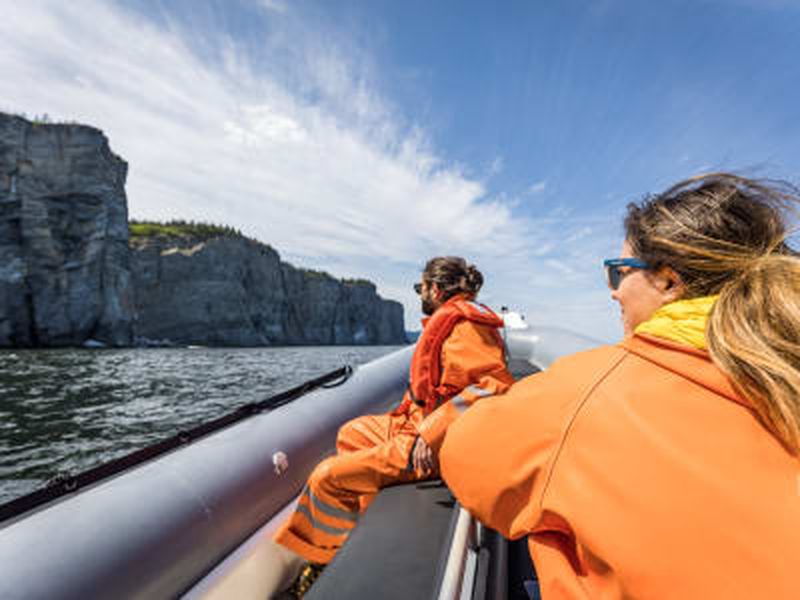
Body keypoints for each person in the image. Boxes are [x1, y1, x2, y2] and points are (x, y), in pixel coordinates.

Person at [439, 174, 800, 599]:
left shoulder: (586, 394)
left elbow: (466, 458)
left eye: (619, 272)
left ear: (668, 282)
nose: (613, 293)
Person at [274, 256, 514, 597]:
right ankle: (365, 523)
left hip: (440, 444)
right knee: (352, 433)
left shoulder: (465, 327)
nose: (420, 294)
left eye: (420, 288)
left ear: (435, 288)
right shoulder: (453, 321)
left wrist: (430, 434)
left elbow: (493, 386)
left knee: (326, 476)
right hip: (419, 425)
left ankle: (324, 563)